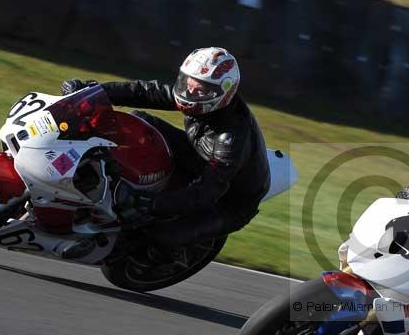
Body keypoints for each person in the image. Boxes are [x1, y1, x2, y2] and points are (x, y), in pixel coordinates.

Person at [61, 47, 270, 260]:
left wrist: (149, 203)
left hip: (229, 200)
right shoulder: (200, 96)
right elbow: (144, 91)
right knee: (139, 122)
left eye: (199, 90)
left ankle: (122, 249)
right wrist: (91, 94)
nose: (189, 93)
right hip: (199, 154)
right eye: (187, 83)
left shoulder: (231, 140)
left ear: (222, 94)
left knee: (159, 236)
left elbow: (206, 192)